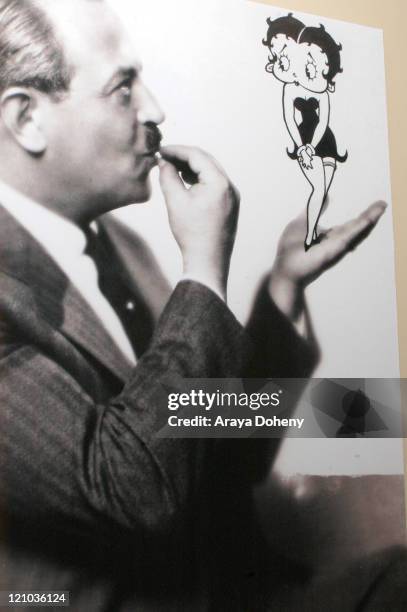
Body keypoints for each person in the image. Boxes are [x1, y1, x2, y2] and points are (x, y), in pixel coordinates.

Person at [0, 0, 395, 610]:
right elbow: (132, 487)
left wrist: (283, 288)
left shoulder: (119, 247)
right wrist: (205, 267)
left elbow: (211, 444)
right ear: (26, 119)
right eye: (122, 88)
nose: (155, 110)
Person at [263, 14, 348, 250]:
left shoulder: (322, 90)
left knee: (323, 191)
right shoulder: (290, 88)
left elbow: (324, 122)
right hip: (303, 138)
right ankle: (310, 237)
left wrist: (314, 144)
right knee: (318, 188)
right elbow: (290, 119)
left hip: (325, 140)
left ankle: (313, 230)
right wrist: (302, 146)